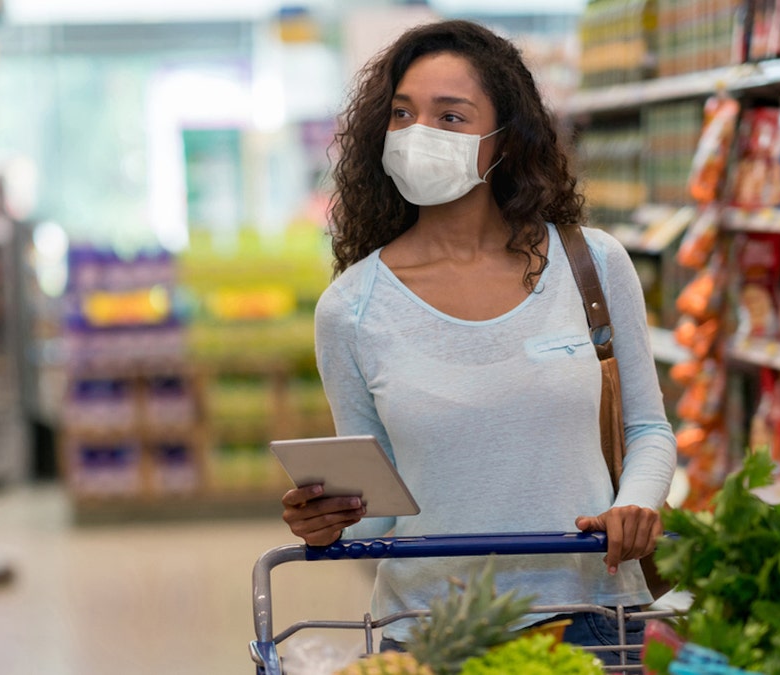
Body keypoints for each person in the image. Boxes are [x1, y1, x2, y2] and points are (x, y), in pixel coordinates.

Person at [280, 19, 677, 664]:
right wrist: (330, 519)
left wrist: (634, 506)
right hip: (431, 631)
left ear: (504, 141)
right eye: (403, 114)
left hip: (590, 617)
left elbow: (650, 430)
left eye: (451, 117)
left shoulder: (593, 266)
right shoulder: (351, 308)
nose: (419, 135)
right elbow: (381, 508)